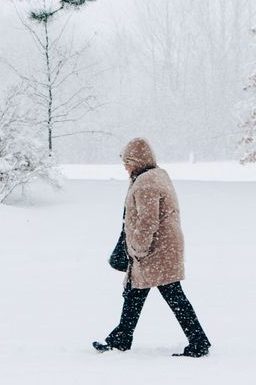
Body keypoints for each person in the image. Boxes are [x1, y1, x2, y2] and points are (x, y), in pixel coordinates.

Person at [93, 138, 211, 358]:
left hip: (155, 252)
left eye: (127, 162)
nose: (125, 168)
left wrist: (137, 249)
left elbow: (148, 222)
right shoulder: (157, 175)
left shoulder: (146, 183)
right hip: (163, 250)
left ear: (136, 161)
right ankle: (121, 339)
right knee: (135, 294)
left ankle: (198, 342)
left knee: (171, 296)